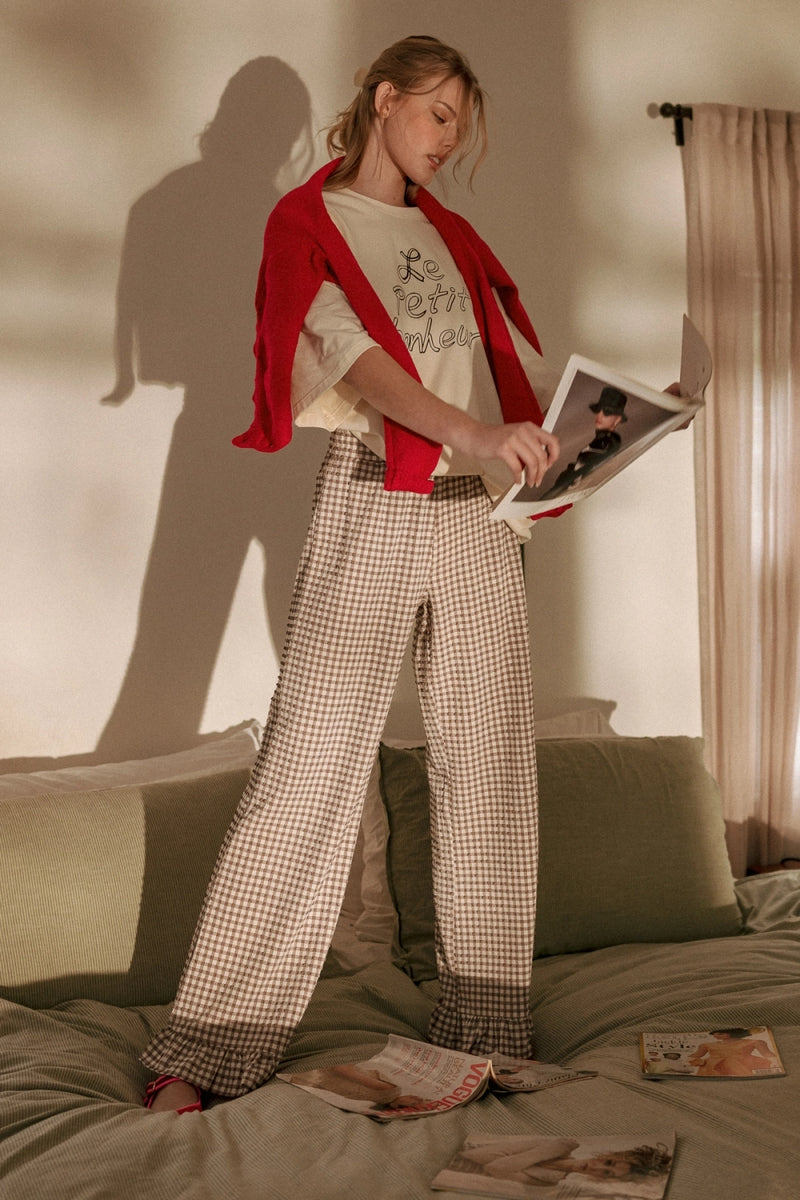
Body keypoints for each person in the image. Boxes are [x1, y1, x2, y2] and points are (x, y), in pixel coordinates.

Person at [141, 33, 561, 1114]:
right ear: (383, 101)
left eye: (459, 124)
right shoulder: (310, 221)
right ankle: (210, 1049)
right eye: (435, 116)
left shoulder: (450, 234)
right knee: (310, 768)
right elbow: (352, 361)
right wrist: (471, 428)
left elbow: (481, 367)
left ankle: (483, 1031)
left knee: (491, 775)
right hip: (376, 496)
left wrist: (559, 438)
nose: (448, 139)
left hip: (476, 519)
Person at [453, 1136, 672, 1188]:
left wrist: (542, 1152)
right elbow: (483, 1157)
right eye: (609, 1163)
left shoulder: (551, 1181)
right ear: (609, 1155)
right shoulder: (563, 1146)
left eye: (606, 1173)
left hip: (456, 1167)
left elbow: (494, 1166)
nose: (596, 1167)